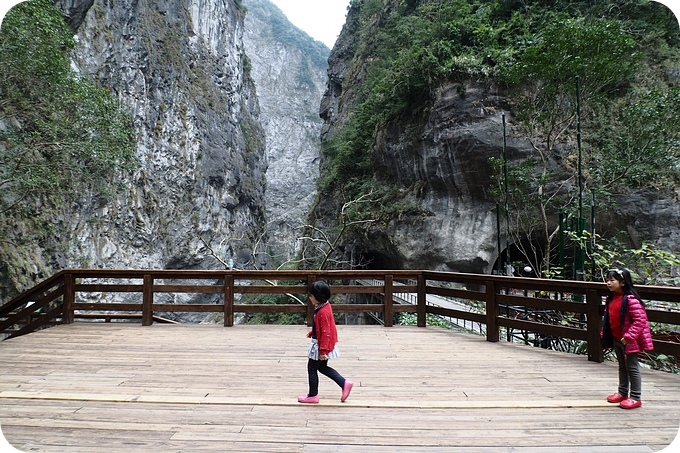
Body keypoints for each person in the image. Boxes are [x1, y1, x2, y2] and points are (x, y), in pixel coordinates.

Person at [601, 268, 654, 409]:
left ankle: (635, 396)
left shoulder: (630, 300)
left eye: (612, 280)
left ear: (623, 282)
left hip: (629, 340)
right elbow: (608, 318)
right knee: (622, 367)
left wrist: (629, 336)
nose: (608, 283)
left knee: (632, 367)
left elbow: (640, 320)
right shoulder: (611, 298)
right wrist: (605, 332)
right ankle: (623, 392)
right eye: (608, 280)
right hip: (617, 338)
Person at [298, 280, 353, 404]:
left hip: (320, 345)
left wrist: (323, 351)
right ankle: (344, 383)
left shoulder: (322, 312)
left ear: (318, 297)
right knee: (322, 367)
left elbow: (326, 332)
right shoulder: (324, 306)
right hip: (322, 343)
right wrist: (313, 332)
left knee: (311, 368)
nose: (310, 298)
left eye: (311, 296)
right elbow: (323, 327)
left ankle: (313, 395)